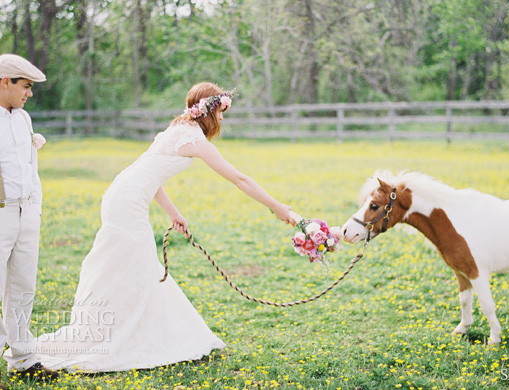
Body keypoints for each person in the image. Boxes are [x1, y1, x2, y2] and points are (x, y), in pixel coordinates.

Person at [36, 82, 296, 373]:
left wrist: (174, 213)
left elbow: (149, 173)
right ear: (209, 112)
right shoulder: (193, 140)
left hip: (121, 193)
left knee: (137, 265)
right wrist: (277, 207)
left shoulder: (175, 131)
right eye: (221, 112)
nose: (222, 119)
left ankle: (126, 330)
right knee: (137, 266)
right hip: (128, 200)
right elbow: (239, 179)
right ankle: (112, 336)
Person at [0, 53, 58, 382]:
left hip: (25, 212)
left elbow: (28, 165)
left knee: (23, 288)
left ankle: (24, 360)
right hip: (0, 211)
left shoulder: (24, 119)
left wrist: (34, 205)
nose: (30, 93)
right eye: (26, 86)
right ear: (4, 82)